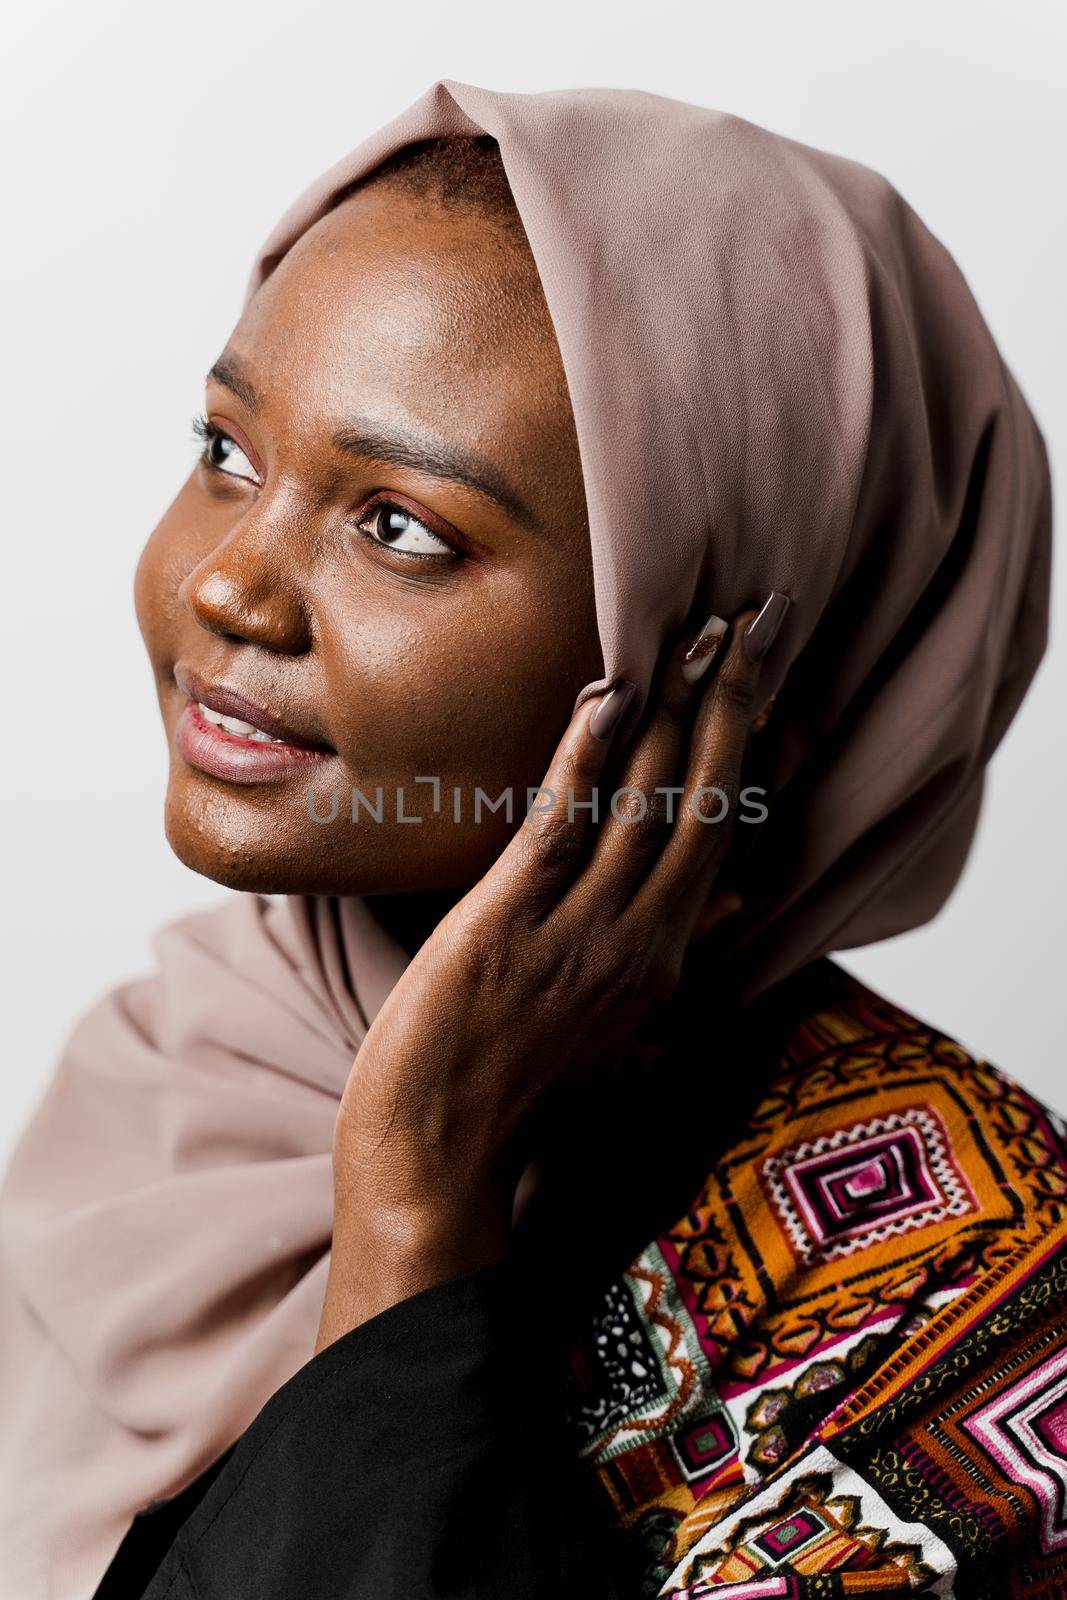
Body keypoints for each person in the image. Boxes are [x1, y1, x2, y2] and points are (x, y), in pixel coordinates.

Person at [0, 81, 1061, 1600]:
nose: (230, 588)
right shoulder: (171, 1077)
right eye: (227, 450)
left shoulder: (963, 1286)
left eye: (401, 527)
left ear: (727, 678)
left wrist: (416, 1206)